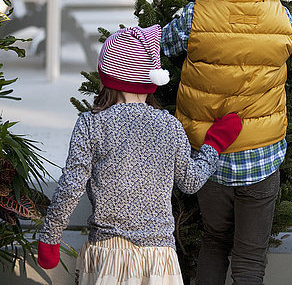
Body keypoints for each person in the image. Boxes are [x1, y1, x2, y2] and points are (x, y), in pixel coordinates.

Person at [161, 0, 292, 285]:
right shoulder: (281, 17)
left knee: (214, 242)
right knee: (250, 257)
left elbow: (163, 46)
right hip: (263, 157)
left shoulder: (194, 16)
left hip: (209, 157)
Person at [37, 24, 242, 285]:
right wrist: (214, 144)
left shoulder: (91, 124)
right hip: (159, 260)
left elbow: (71, 186)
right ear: (150, 79)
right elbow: (190, 182)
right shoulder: (168, 125)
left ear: (107, 77)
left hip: (108, 256)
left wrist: (50, 236)